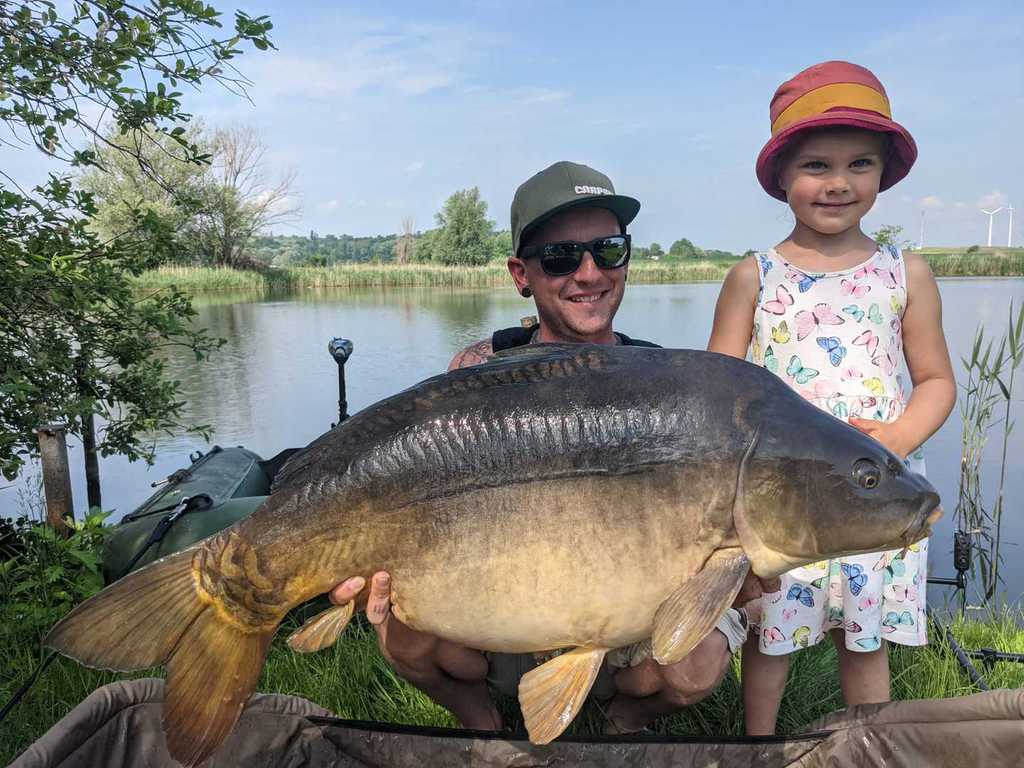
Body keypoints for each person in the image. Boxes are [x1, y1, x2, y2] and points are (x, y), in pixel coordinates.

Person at [330, 160, 775, 735]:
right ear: (521, 274)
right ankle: (479, 718)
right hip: (507, 607)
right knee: (399, 628)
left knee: (699, 663)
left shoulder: (662, 386)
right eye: (561, 258)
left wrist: (729, 571)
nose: (589, 273)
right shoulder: (480, 378)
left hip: (627, 610)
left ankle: (624, 719)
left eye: (608, 251)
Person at [706, 61, 956, 735]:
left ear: (883, 173)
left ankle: (865, 742)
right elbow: (716, 395)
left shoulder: (906, 273)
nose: (839, 182)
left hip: (873, 486)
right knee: (771, 635)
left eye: (859, 164)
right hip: (779, 495)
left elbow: (936, 381)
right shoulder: (753, 276)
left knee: (863, 641)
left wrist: (897, 440)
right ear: (782, 176)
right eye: (816, 165)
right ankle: (759, 745)